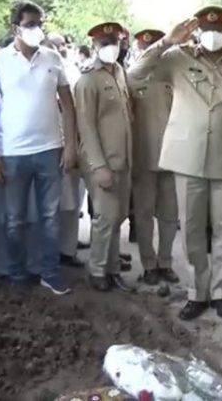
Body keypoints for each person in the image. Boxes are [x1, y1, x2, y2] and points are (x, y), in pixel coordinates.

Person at [128, 6, 222, 321]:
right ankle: (196, 292)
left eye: (219, 29)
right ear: (197, 31)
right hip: (187, 157)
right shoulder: (176, 58)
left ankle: (219, 292)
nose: (212, 34)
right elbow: (134, 75)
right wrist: (166, 42)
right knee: (190, 228)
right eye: (206, 29)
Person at [0, 0, 77, 295]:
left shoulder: (52, 58)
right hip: (13, 153)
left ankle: (49, 271)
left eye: (39, 23)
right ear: (15, 28)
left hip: (50, 149)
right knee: (14, 220)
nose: (37, 29)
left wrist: (71, 145)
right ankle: (17, 274)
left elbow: (69, 106)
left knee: (50, 217)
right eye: (30, 24)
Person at [75, 22, 135, 292]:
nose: (110, 47)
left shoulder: (119, 72)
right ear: (93, 47)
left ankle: (112, 269)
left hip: (123, 158)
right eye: (104, 43)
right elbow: (85, 126)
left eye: (115, 41)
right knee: (105, 218)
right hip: (103, 161)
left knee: (117, 217)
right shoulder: (88, 80)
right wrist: (98, 166)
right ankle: (98, 271)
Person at [129, 28, 180, 286]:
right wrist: (163, 43)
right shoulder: (134, 77)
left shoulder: (176, 76)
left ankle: (166, 261)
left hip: (173, 157)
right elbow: (137, 70)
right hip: (143, 156)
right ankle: (148, 264)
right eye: (147, 48)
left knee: (170, 215)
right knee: (144, 214)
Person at [46, 31, 85, 268]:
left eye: (63, 45)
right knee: (53, 203)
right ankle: (52, 251)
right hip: (50, 142)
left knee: (74, 200)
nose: (60, 48)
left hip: (74, 141)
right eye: (55, 45)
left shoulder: (72, 69)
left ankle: (68, 249)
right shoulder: (44, 69)